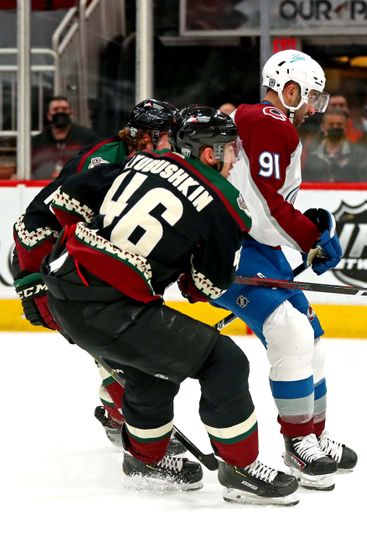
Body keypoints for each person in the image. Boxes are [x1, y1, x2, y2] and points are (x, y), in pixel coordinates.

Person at [40, 106, 299, 505]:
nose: (235, 160)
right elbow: (206, 286)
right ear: (210, 153)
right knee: (225, 361)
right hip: (111, 311)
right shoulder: (225, 203)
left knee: (152, 371)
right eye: (231, 150)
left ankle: (145, 460)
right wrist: (186, 271)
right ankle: (240, 467)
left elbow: (66, 198)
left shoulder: (143, 162)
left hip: (62, 293)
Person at [212, 49, 357, 491]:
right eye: (310, 96)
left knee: (312, 342)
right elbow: (268, 204)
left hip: (262, 247)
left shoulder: (270, 125)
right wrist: (310, 237)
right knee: (290, 333)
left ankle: (313, 433)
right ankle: (297, 444)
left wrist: (308, 226)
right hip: (232, 248)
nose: (314, 107)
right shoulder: (268, 122)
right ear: (288, 89)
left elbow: (272, 204)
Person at [13, 98, 184, 449]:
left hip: (71, 261)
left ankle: (117, 414)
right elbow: (74, 225)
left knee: (117, 347)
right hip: (43, 257)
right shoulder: (107, 160)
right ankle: (131, 426)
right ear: (144, 137)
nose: (171, 144)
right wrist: (35, 281)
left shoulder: (150, 163)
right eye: (165, 136)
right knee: (116, 349)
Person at [30, 96, 98, 180]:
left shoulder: (88, 137)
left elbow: (97, 163)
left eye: (64, 109)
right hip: (40, 186)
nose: (60, 112)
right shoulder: (37, 141)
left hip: (78, 185)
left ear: (71, 113)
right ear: (48, 115)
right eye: (55, 109)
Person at [304, 108, 367, 182]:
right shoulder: (312, 154)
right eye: (331, 124)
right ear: (323, 127)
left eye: (339, 124)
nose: (335, 127)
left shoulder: (359, 154)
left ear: (346, 127)